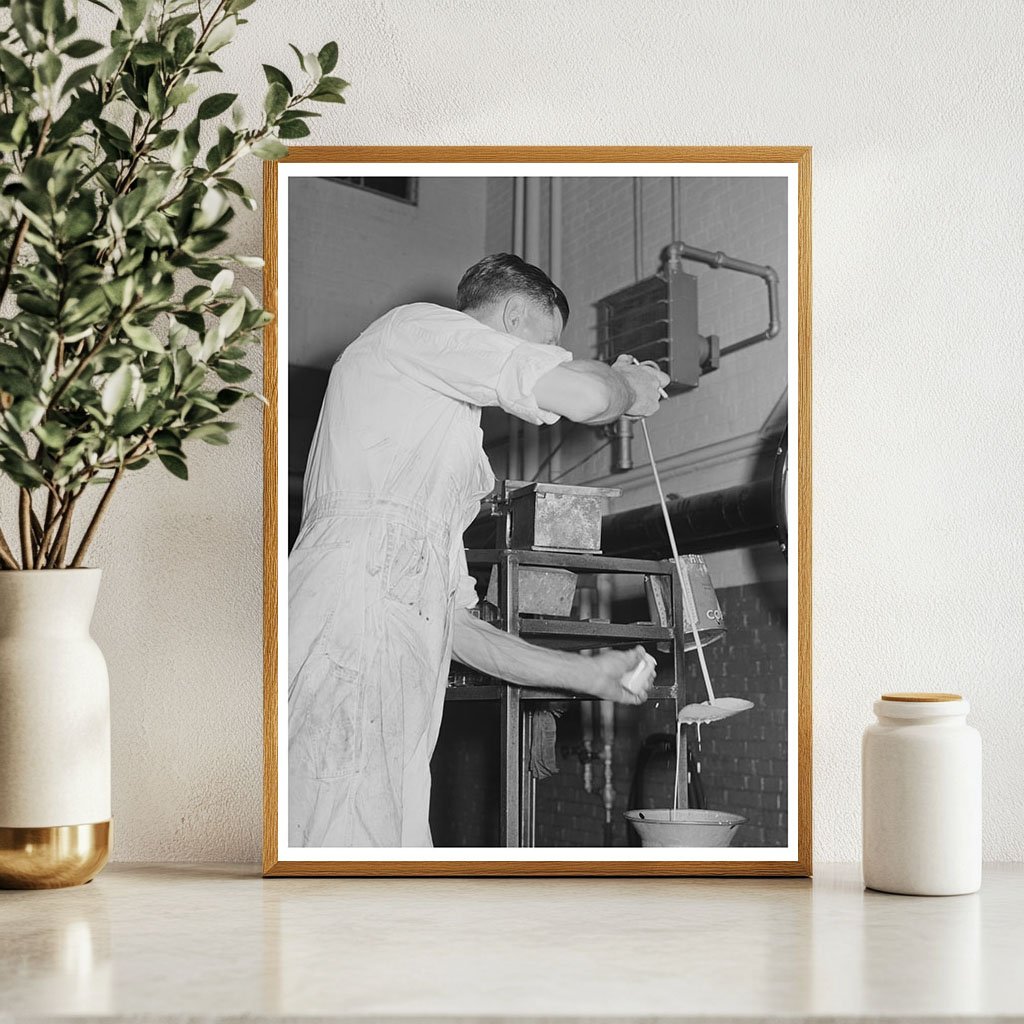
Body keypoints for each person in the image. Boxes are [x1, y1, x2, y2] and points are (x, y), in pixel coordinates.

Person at [288, 253, 670, 848]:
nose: (548, 360)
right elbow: (589, 398)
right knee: (340, 844)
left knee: (385, 845)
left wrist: (587, 674)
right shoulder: (415, 330)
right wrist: (630, 386)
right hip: (349, 627)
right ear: (515, 315)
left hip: (389, 649)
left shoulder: (438, 433)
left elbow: (456, 627)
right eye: (548, 345)